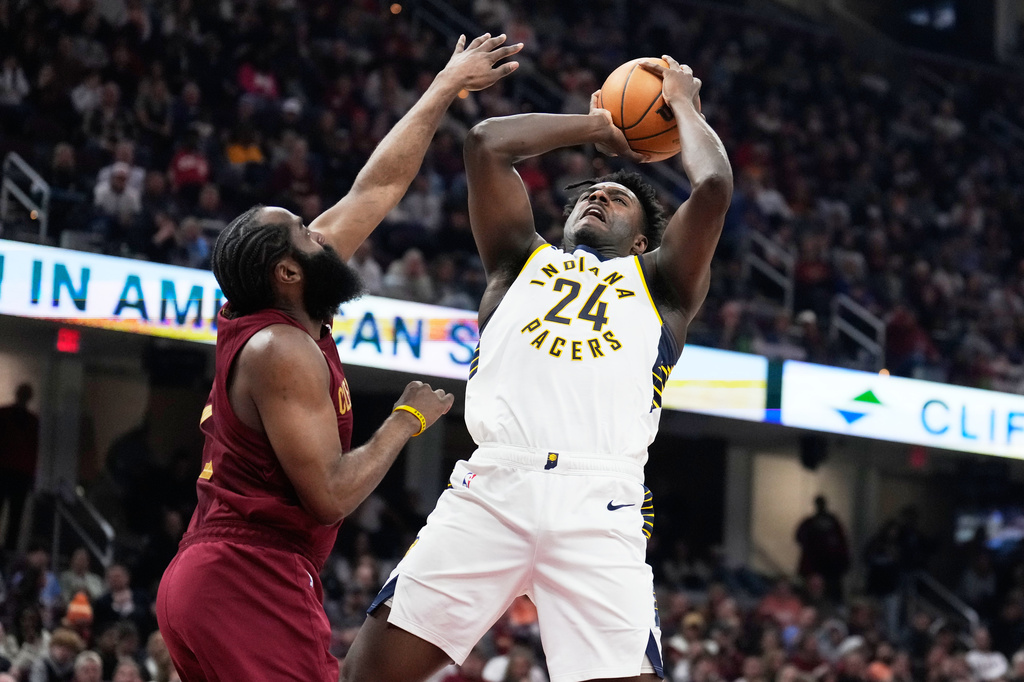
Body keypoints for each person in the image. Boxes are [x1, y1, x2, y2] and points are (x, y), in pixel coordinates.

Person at [344, 56, 732, 682]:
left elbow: (712, 189)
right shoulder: (518, 260)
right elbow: (486, 143)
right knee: (366, 676)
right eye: (591, 193)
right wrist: (595, 127)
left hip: (599, 501)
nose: (599, 194)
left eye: (618, 196)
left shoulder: (661, 284)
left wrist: (683, 105)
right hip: (494, 483)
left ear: (642, 241)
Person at [155, 33, 521, 682]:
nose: (322, 231)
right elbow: (327, 495)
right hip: (243, 578)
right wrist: (404, 421)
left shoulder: (288, 302)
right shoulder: (280, 349)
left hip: (242, 574)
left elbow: (375, 187)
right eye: (304, 232)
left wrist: (444, 85)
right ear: (289, 274)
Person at [0, 383, 39, 553]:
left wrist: (31, 477)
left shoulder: (33, 421)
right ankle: (9, 549)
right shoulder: (4, 414)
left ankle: (9, 549)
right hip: (5, 469)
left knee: (16, 516)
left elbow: (34, 450)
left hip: (20, 472)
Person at [795, 496, 850, 603]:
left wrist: (843, 561)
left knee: (832, 592)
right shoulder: (810, 522)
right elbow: (799, 537)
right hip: (814, 564)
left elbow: (841, 542)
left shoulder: (833, 522)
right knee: (813, 589)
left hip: (832, 566)